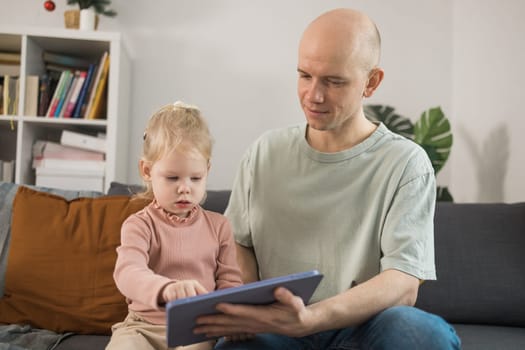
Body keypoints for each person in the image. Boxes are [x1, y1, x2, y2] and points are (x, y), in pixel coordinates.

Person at [193, 8, 461, 350]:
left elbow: (404, 283)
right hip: (278, 330)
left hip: (362, 329)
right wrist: (251, 310)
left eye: (334, 82)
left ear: (372, 82)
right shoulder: (265, 152)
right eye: (305, 75)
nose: (314, 95)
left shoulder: (406, 163)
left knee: (419, 334)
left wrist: (313, 318)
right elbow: (239, 243)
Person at [106, 102, 243, 350]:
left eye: (195, 178)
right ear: (146, 171)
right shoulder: (139, 225)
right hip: (142, 326)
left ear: (207, 171)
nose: (185, 187)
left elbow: (230, 284)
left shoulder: (220, 226)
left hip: (197, 329)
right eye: (172, 178)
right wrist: (166, 289)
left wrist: (233, 319)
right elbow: (127, 273)